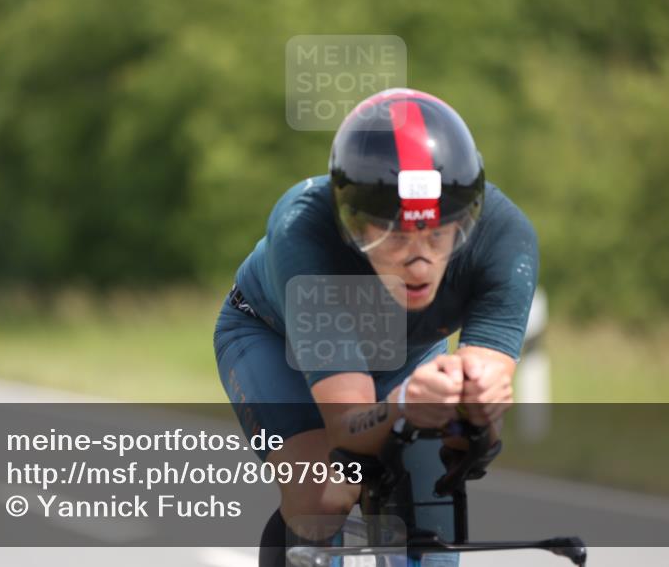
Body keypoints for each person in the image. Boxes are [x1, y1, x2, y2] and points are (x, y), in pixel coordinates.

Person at [212, 88, 539, 566]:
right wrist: (404, 405)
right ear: (352, 223)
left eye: (438, 233)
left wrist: (473, 412)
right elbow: (349, 430)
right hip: (272, 340)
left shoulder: (506, 239)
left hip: (407, 356)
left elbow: (474, 441)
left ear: (466, 220)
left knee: (433, 532)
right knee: (323, 498)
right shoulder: (303, 229)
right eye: (394, 234)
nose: (419, 261)